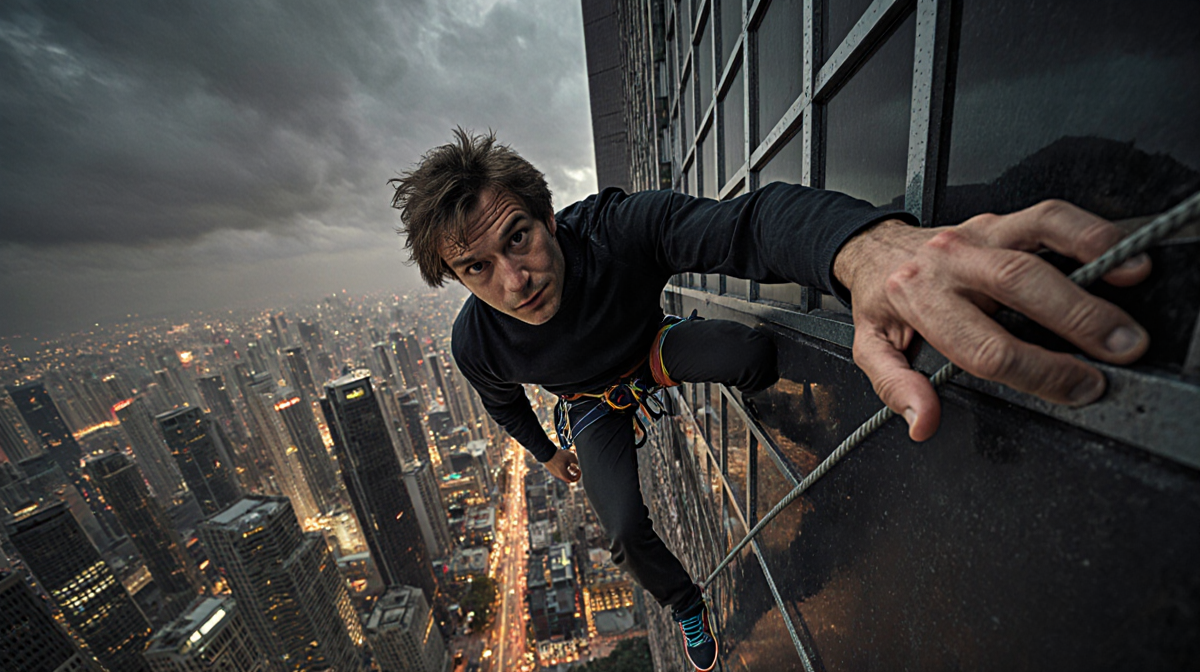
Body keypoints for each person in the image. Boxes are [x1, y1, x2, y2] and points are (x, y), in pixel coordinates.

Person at [389, 130, 1150, 671]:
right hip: (590, 402)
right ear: (456, 279)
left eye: (518, 238)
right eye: (477, 268)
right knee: (621, 524)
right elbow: (503, 406)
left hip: (651, 354)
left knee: (751, 354)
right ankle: (685, 604)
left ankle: (768, 398)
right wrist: (550, 455)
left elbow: (746, 224)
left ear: (549, 216)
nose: (513, 280)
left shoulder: (614, 230)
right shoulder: (476, 344)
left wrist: (867, 251)